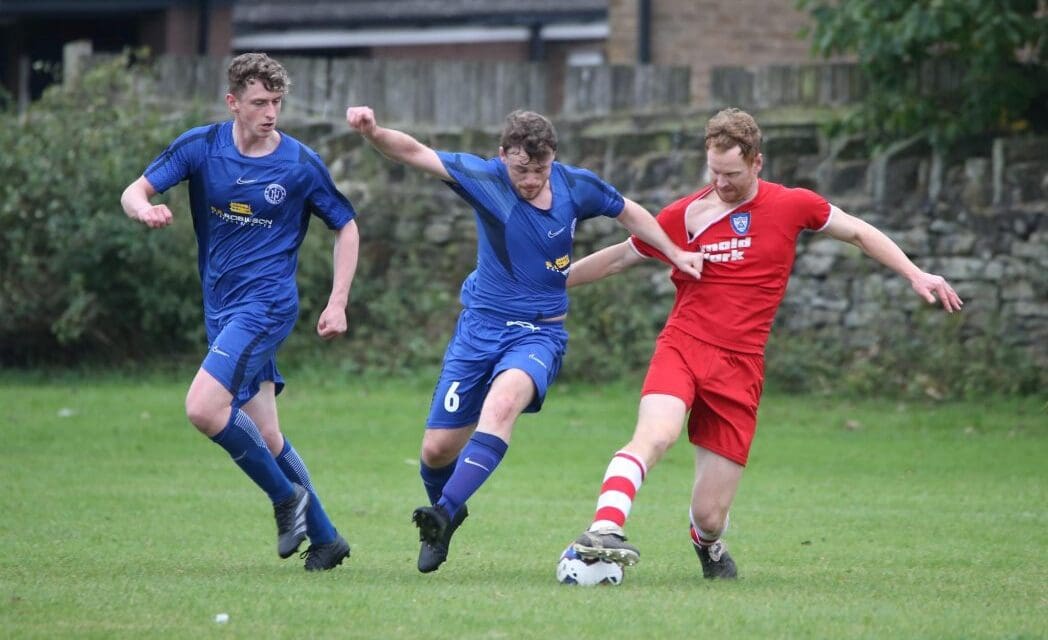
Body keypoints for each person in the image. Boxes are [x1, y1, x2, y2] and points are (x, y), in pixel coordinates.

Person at [568, 107, 964, 579]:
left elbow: (858, 232)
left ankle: (707, 544)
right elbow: (618, 259)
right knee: (657, 434)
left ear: (757, 162)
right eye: (714, 171)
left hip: (741, 367)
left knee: (710, 516)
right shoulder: (687, 214)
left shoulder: (792, 205)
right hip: (684, 344)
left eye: (732, 173)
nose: (721, 183)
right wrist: (543, 287)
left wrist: (916, 273)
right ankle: (605, 528)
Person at [345, 106, 705, 573]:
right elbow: (413, 152)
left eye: (540, 169)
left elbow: (630, 212)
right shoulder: (486, 178)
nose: (531, 180)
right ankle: (448, 512)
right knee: (436, 451)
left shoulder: (575, 186)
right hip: (479, 329)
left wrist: (673, 251)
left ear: (553, 158)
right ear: (503, 158)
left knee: (503, 403)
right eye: (521, 170)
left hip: (539, 333)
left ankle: (443, 511)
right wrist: (372, 132)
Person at [120, 53, 359, 571]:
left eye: (276, 102)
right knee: (266, 436)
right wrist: (145, 208)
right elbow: (134, 190)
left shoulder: (297, 163)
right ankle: (325, 539)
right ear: (233, 103)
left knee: (203, 408)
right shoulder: (202, 147)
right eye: (259, 103)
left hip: (267, 306)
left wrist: (337, 299)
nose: (270, 112)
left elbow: (346, 223)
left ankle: (285, 499)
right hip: (222, 310)